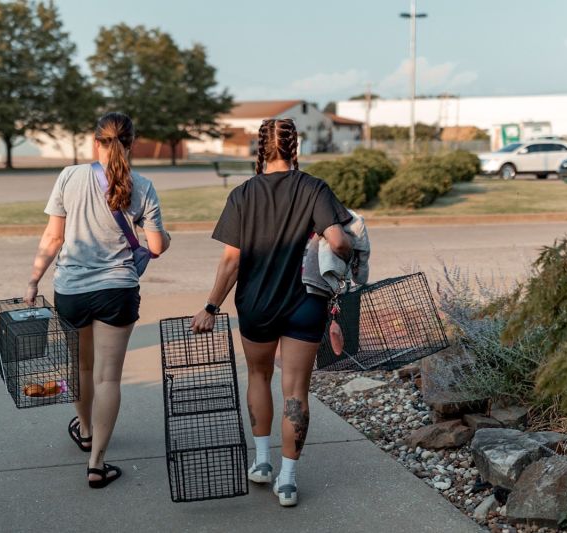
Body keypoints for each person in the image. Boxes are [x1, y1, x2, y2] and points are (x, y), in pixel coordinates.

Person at [191, 118, 352, 507]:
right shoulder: (314, 188)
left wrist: (211, 307)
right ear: (295, 148)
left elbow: (231, 261)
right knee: (296, 390)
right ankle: (288, 481)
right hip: (305, 304)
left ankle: (262, 463)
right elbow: (339, 240)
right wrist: (341, 259)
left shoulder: (243, 194)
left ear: (259, 150)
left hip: (256, 304)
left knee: (258, 376)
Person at [24, 112, 170, 489]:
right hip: (116, 291)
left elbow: (52, 239)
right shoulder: (143, 186)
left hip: (71, 290)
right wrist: (164, 236)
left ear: (96, 142)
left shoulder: (69, 177)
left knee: (82, 370)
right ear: (132, 144)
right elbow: (155, 246)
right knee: (108, 377)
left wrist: (33, 280)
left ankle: (85, 429)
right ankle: (97, 462)